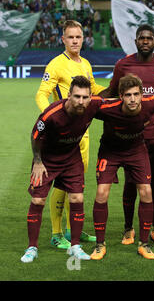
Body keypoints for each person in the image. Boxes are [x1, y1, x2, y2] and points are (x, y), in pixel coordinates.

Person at [100, 24, 154, 248]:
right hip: (130, 137)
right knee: (131, 183)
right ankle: (128, 228)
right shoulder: (123, 64)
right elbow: (112, 93)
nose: (145, 41)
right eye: (142, 38)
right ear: (135, 41)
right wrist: (91, 102)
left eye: (149, 38)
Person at [35, 20, 106, 249]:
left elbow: (94, 90)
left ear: (83, 39)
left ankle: (70, 228)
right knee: (61, 185)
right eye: (70, 37)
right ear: (62, 39)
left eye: (78, 37)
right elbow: (41, 94)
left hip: (82, 134)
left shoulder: (85, 63)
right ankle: (56, 234)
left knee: (76, 185)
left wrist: (115, 93)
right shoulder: (55, 65)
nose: (75, 41)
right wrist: (52, 120)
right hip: (61, 136)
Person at [21, 76, 104, 263]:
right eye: (76, 97)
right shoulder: (52, 114)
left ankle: (75, 245)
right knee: (38, 200)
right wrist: (37, 161)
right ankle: (31, 247)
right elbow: (35, 136)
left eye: (85, 97)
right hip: (47, 160)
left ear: (91, 97)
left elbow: (112, 100)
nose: (81, 101)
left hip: (71, 157)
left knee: (77, 198)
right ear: (68, 95)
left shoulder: (94, 105)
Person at [90, 74, 154, 260]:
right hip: (110, 151)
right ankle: (99, 245)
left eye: (136, 94)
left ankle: (144, 244)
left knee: (146, 191)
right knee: (101, 193)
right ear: (120, 96)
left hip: (136, 150)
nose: (132, 99)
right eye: (128, 95)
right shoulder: (106, 108)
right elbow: (81, 107)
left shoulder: (151, 103)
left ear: (142, 94)